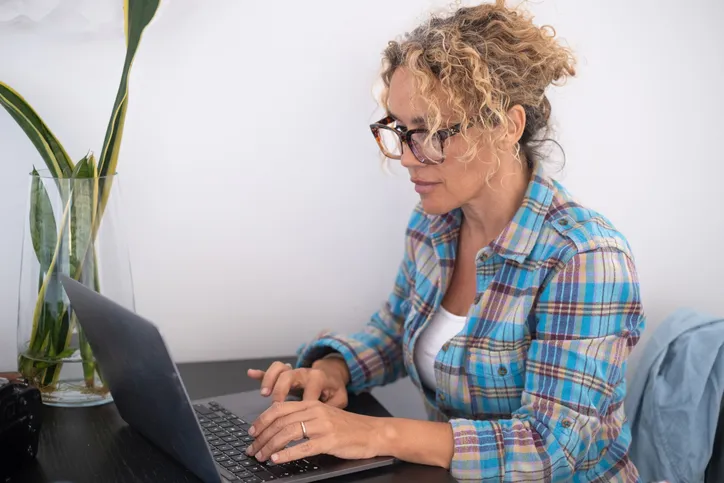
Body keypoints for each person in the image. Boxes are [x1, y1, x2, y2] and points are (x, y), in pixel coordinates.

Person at [243, 1, 645, 481]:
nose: (408, 158)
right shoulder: (434, 222)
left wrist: (371, 434)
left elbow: (549, 446)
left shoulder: (585, 259)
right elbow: (397, 331)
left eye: (430, 132)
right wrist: (332, 370)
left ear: (507, 126)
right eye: (400, 129)